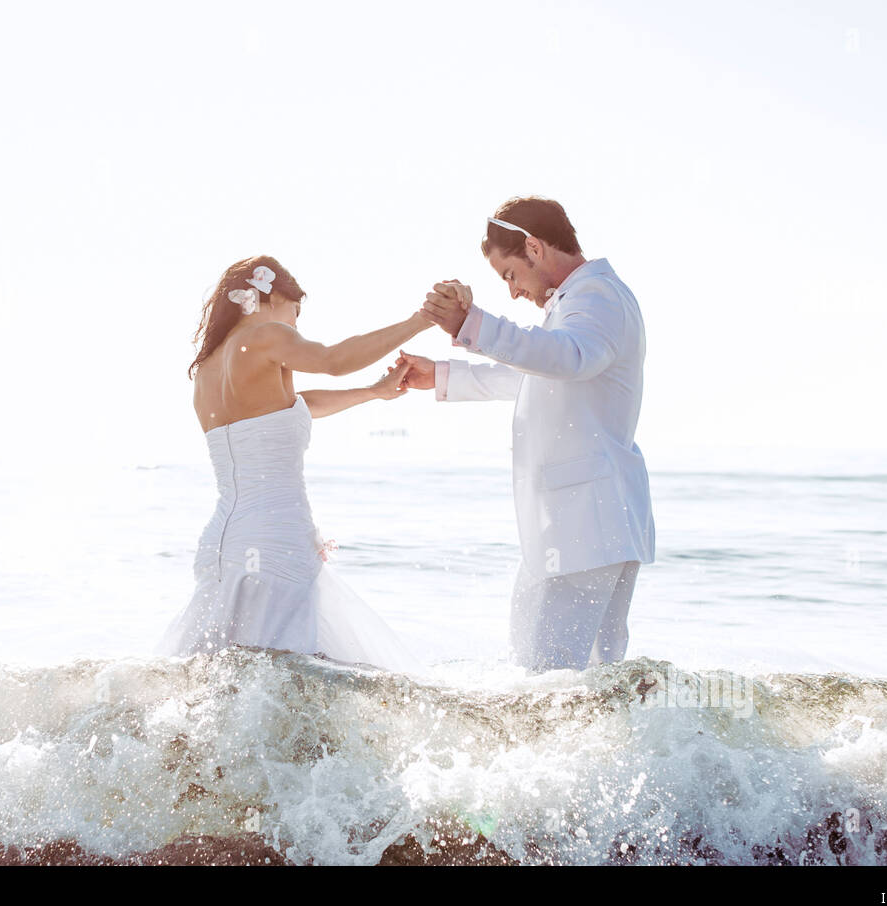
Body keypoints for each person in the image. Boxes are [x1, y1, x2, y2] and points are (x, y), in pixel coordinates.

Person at [396, 196, 655, 672]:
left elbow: (570, 358)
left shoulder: (596, 297)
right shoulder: (587, 301)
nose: (513, 293)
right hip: (592, 525)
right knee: (592, 685)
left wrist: (471, 323)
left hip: (582, 526)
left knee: (544, 681)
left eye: (510, 275)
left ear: (534, 248)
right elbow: (545, 373)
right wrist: (444, 376)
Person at [156, 255, 427, 672]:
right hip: (272, 539)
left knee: (223, 677)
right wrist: (421, 320)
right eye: (295, 313)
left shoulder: (209, 367)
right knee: (288, 677)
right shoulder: (266, 335)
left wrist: (373, 392)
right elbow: (334, 359)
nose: (295, 328)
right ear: (273, 296)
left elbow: (296, 406)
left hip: (221, 545)